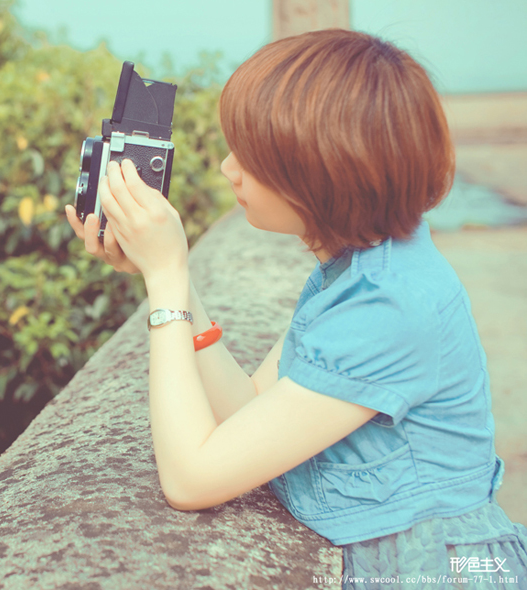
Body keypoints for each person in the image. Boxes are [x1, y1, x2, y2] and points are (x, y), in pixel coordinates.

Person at [64, 29, 526, 589]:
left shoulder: (388, 306)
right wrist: (171, 276)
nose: (228, 169)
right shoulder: (360, 266)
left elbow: (191, 479)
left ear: (323, 173)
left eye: (253, 159)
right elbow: (248, 409)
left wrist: (164, 280)